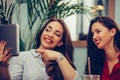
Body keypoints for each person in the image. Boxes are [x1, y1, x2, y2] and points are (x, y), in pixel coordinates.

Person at [9, 18, 80, 80]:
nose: (50, 35)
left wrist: (59, 56)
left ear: (60, 43)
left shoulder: (61, 61)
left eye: (57, 34)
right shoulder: (22, 57)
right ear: (42, 33)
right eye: (47, 30)